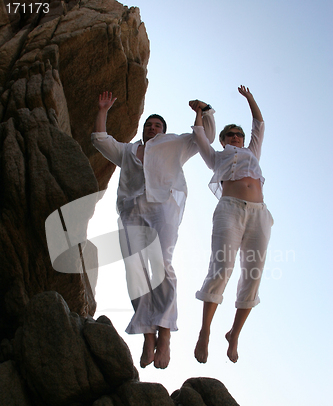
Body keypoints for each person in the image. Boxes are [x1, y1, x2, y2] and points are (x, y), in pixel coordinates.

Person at [92, 92, 215, 369]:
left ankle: (165, 332)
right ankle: (148, 335)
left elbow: (205, 134)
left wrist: (204, 111)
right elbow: (99, 140)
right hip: (132, 209)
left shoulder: (175, 144)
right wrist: (103, 111)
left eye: (157, 125)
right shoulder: (127, 151)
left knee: (162, 265)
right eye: (148, 125)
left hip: (163, 206)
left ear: (164, 131)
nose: (152, 128)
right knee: (134, 268)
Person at [190, 85, 273, 363]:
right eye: (230, 135)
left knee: (253, 275)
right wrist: (200, 113)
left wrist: (250, 98)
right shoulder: (216, 156)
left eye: (238, 134)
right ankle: (205, 331)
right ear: (224, 140)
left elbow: (259, 124)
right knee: (221, 268)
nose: (236, 137)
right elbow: (199, 136)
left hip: (259, 214)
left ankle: (234, 334)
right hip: (230, 210)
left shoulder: (252, 152)